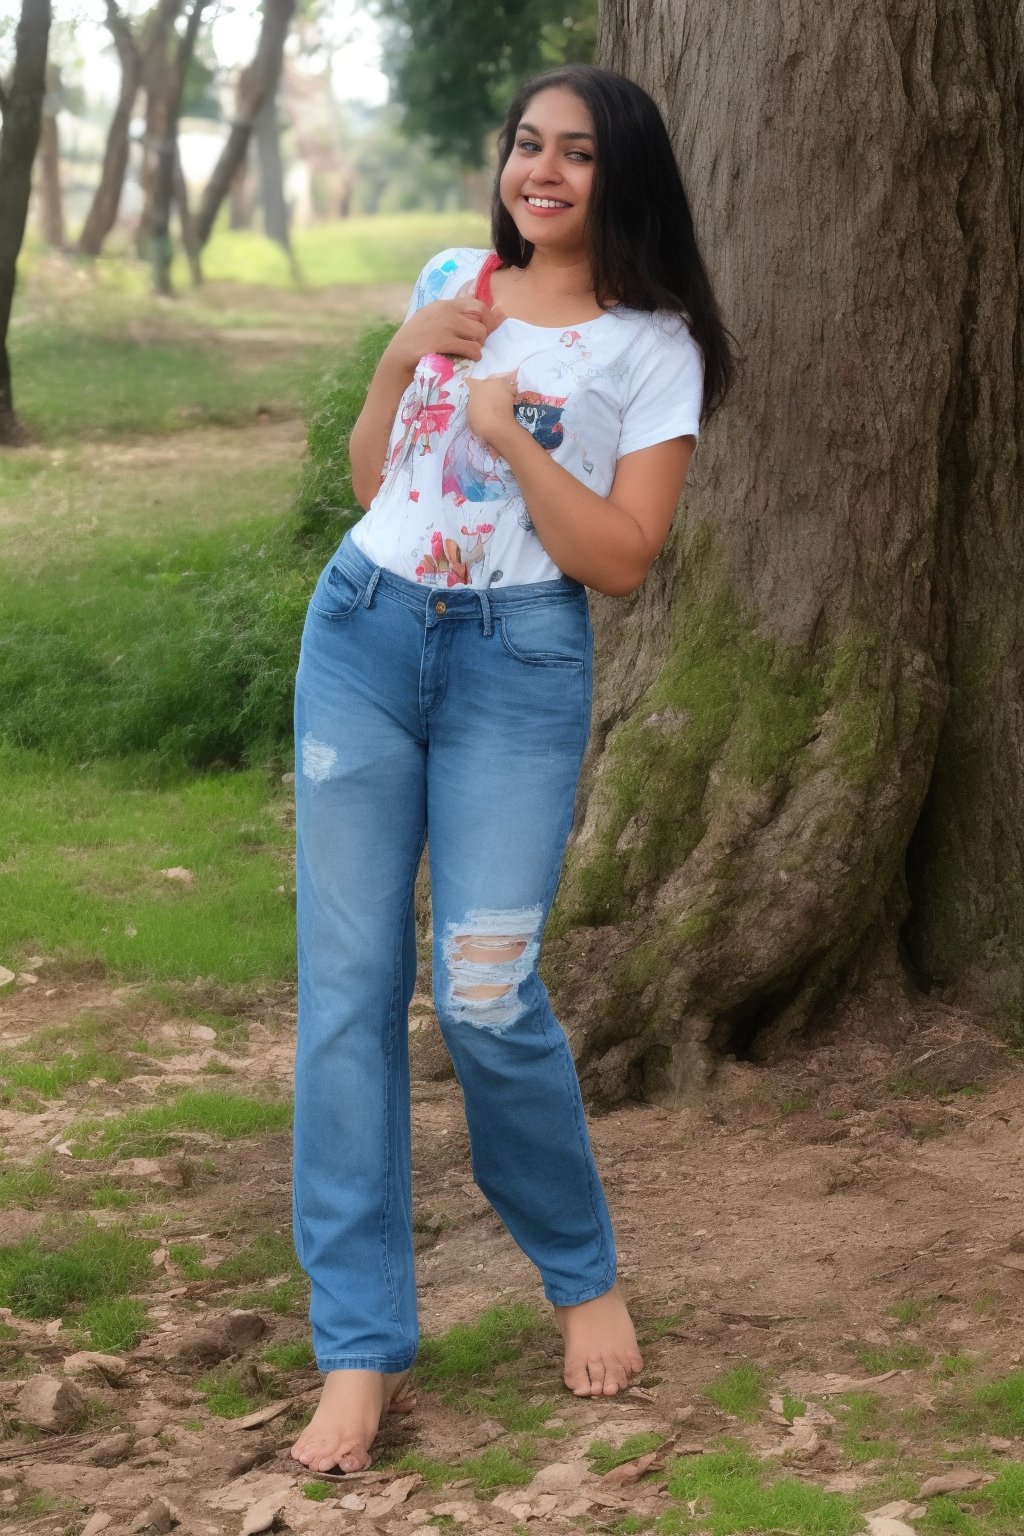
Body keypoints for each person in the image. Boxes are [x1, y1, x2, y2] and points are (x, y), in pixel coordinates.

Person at [289, 62, 736, 1477]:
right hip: (361, 635)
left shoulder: (653, 344)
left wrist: (506, 436)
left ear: (627, 175)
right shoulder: (451, 275)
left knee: (485, 995)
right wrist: (398, 357)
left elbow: (623, 560)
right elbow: (375, 483)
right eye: (527, 145)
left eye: (579, 154)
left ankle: (580, 1270)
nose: (541, 170)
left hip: (518, 666)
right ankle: (358, 1356)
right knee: (347, 1008)